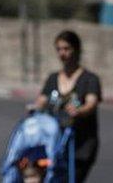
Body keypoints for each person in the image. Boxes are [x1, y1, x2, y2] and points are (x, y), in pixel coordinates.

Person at [33, 30, 102, 182]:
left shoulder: (89, 80)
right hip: (54, 145)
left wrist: (80, 111)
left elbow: (91, 103)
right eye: (59, 49)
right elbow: (42, 100)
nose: (62, 53)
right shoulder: (53, 78)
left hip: (80, 147)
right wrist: (35, 109)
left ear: (76, 50)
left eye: (66, 49)